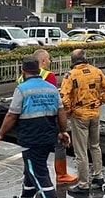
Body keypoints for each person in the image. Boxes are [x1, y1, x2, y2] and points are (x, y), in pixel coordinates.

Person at [0, 57, 71, 198]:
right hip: (48, 138)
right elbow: (61, 112)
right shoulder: (51, 88)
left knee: (39, 175)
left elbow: (12, 115)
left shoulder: (22, 89)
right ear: (38, 70)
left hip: (31, 138)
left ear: (23, 71)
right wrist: (62, 131)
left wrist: (0, 133)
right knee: (32, 172)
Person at [16, 49, 77, 184]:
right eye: (48, 59)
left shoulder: (21, 78)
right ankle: (61, 175)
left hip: (28, 120)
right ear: (43, 61)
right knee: (59, 144)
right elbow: (54, 99)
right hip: (48, 117)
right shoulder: (48, 76)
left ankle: (30, 177)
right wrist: (61, 126)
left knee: (32, 151)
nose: (50, 61)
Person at [60, 49, 105, 195]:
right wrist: (99, 102)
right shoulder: (97, 71)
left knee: (81, 151)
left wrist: (70, 111)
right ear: (85, 58)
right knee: (95, 146)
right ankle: (98, 177)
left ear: (72, 60)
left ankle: (83, 184)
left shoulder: (70, 76)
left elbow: (64, 97)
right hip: (95, 114)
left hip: (79, 116)